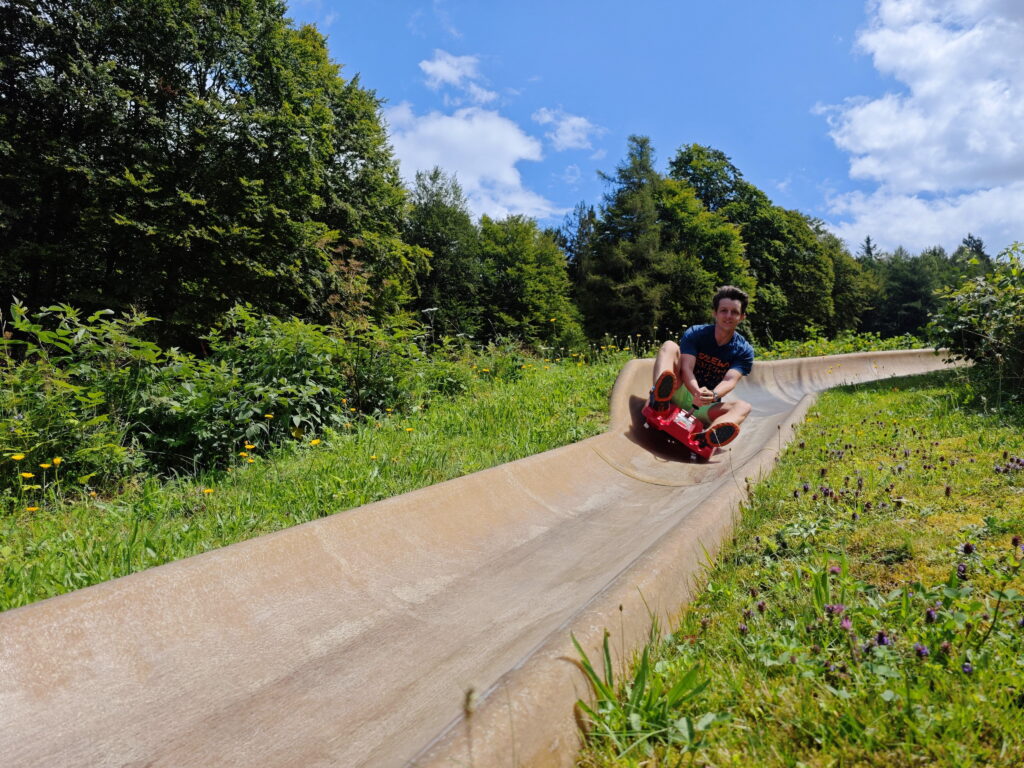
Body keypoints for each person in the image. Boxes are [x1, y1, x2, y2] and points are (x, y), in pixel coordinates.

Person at [649, 285, 753, 448]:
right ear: (715, 313)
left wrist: (712, 395)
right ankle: (659, 398)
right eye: (724, 310)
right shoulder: (696, 333)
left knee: (744, 407)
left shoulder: (744, 350)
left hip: (707, 404)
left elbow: (730, 380)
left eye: (734, 312)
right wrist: (696, 390)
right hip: (679, 388)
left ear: (742, 317)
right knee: (670, 346)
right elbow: (686, 368)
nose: (728, 316)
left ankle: (707, 437)